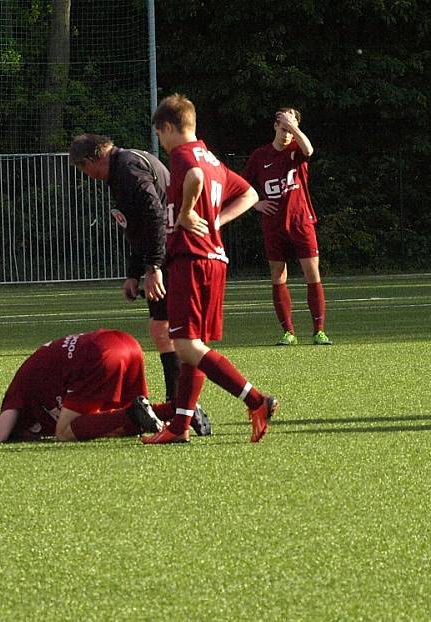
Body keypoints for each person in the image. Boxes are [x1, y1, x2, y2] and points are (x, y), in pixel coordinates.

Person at [146, 93, 277, 444]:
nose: (161, 142)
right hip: (214, 258)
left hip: (191, 258)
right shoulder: (214, 160)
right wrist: (217, 221)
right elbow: (249, 194)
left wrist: (188, 211)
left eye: (160, 135)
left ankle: (256, 399)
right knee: (195, 349)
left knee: (185, 347)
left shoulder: (183, 155)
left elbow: (192, 177)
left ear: (170, 127)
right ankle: (179, 426)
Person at [68, 134, 211, 437]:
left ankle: (182, 407)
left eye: (84, 170)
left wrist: (154, 268)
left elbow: (156, 216)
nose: (88, 176)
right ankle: (181, 406)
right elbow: (139, 226)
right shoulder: (126, 164)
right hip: (169, 253)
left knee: (173, 333)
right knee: (168, 332)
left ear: (92, 160)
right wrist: (134, 273)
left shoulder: (128, 170)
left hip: (172, 254)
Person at [0, 329, 176, 443]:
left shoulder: (18, 393)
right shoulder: (39, 394)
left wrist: (0, 429)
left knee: (64, 432)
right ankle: (178, 410)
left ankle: (133, 412)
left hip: (97, 355)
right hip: (125, 343)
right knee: (127, 425)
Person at [241, 108, 332, 346]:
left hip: (301, 222)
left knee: (312, 274)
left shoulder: (297, 150)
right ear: (274, 126)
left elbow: (309, 149)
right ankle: (288, 332)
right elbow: (240, 186)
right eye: (283, 129)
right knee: (278, 276)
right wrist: (256, 204)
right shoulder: (260, 156)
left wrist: (293, 126)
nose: (286, 135)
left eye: (290, 130)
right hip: (274, 226)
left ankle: (318, 330)